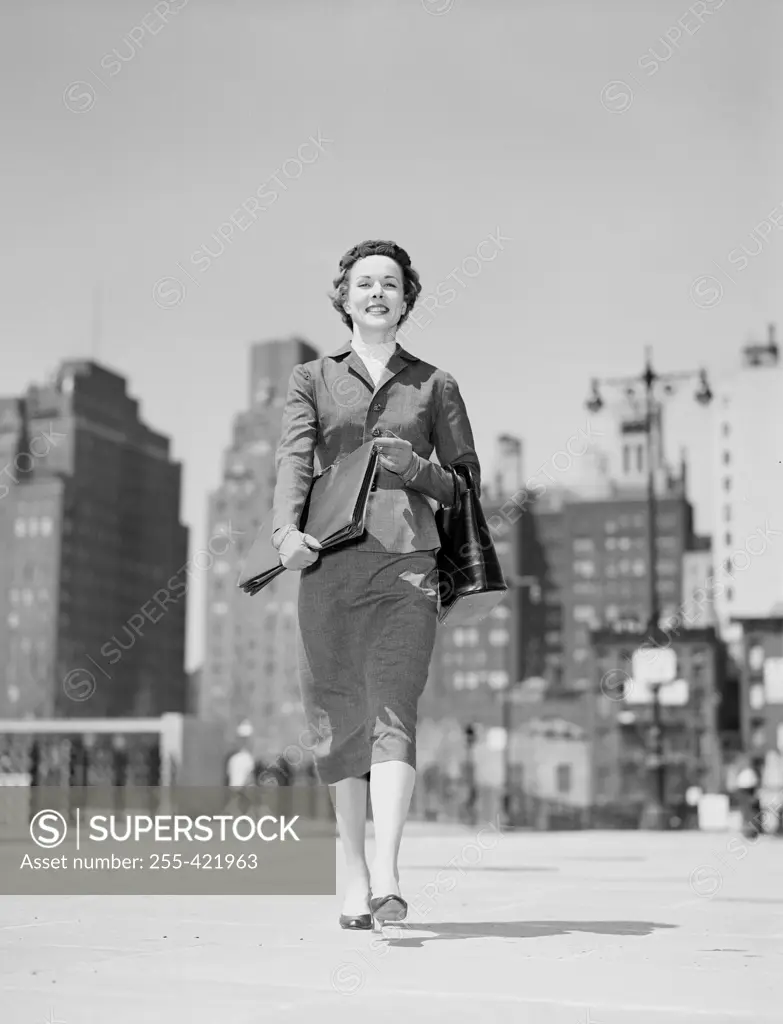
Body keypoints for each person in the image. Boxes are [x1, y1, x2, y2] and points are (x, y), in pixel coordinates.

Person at [271, 239, 480, 930]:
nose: (377, 293)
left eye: (390, 283)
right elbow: (294, 462)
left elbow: (465, 487)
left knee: (393, 708)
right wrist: (283, 536)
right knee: (337, 722)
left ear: (407, 297)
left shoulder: (435, 385)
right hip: (327, 566)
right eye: (364, 283)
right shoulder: (310, 378)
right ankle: (352, 872)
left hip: (407, 566)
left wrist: (416, 467)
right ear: (345, 296)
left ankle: (387, 870)